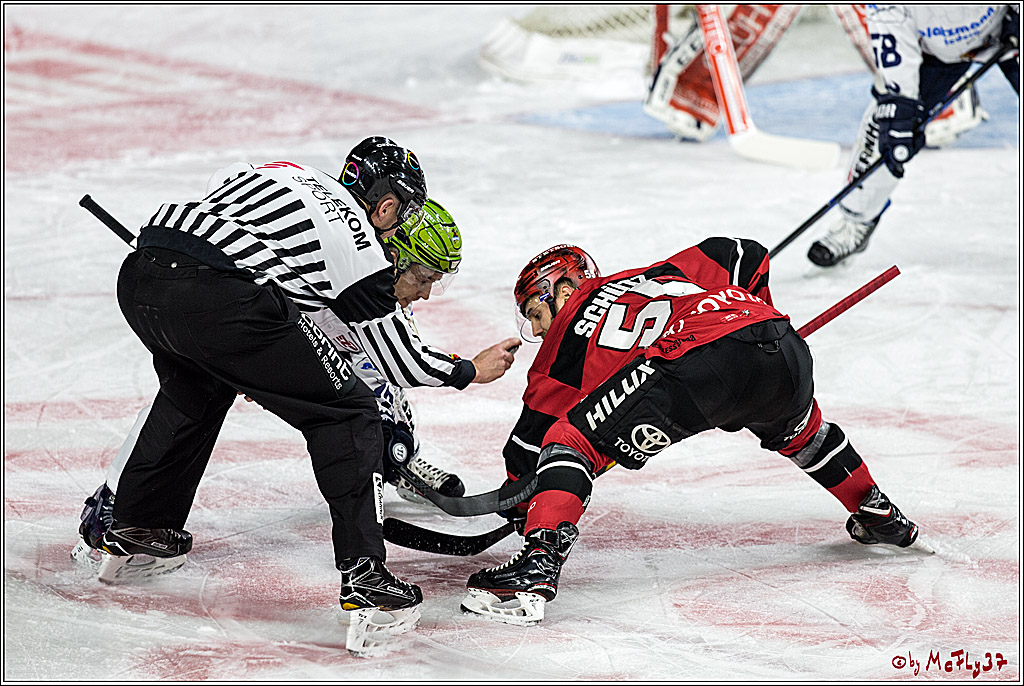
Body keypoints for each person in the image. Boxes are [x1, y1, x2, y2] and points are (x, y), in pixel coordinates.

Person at [82, 135, 520, 644]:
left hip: (144, 272)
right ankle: (367, 579)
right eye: (402, 216)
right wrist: (470, 370)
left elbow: (221, 183)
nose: (399, 230)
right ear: (385, 206)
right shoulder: (360, 244)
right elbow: (394, 357)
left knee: (195, 390)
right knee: (349, 411)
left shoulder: (292, 172)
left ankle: (138, 530)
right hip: (223, 299)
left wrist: (257, 356)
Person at [461, 238, 921, 626]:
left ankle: (538, 567)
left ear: (562, 287)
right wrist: (755, 320)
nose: (539, 331)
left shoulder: (561, 349)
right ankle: (878, 513)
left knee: (571, 441)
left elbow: (527, 448)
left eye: (535, 313)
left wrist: (525, 509)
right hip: (781, 345)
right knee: (803, 433)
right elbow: (744, 253)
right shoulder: (655, 273)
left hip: (699, 362)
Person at [72, 198, 470, 568]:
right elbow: (404, 361)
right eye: (423, 276)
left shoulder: (350, 241)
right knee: (205, 386)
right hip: (234, 301)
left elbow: (388, 360)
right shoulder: (343, 245)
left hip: (204, 289)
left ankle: (395, 458)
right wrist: (470, 370)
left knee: (200, 387)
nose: (426, 292)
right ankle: (114, 501)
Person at [807, 4, 1019, 267]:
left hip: (1006, 32)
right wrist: (900, 107)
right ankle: (856, 219)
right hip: (937, 53)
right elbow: (893, 43)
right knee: (885, 125)